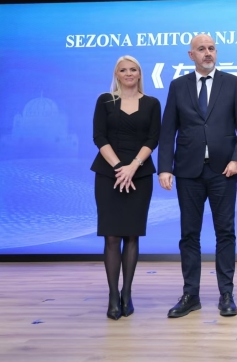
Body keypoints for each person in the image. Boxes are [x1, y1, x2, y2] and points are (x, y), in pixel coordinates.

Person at [158, 34, 237, 318]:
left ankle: (227, 294)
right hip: (188, 171)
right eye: (202, 49)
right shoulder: (178, 86)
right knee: (189, 234)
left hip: (223, 170)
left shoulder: (232, 83)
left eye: (211, 48)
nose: (208, 53)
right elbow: (168, 130)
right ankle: (191, 295)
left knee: (225, 232)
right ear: (192, 55)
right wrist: (165, 167)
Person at [91, 55, 161, 320]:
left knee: (132, 236)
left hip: (139, 175)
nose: (129, 73)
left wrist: (133, 167)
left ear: (140, 73)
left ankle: (126, 295)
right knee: (111, 236)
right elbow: (99, 136)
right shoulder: (105, 100)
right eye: (123, 70)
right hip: (108, 174)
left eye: (133, 69)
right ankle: (112, 296)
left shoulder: (152, 103)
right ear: (116, 74)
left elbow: (153, 138)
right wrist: (120, 167)